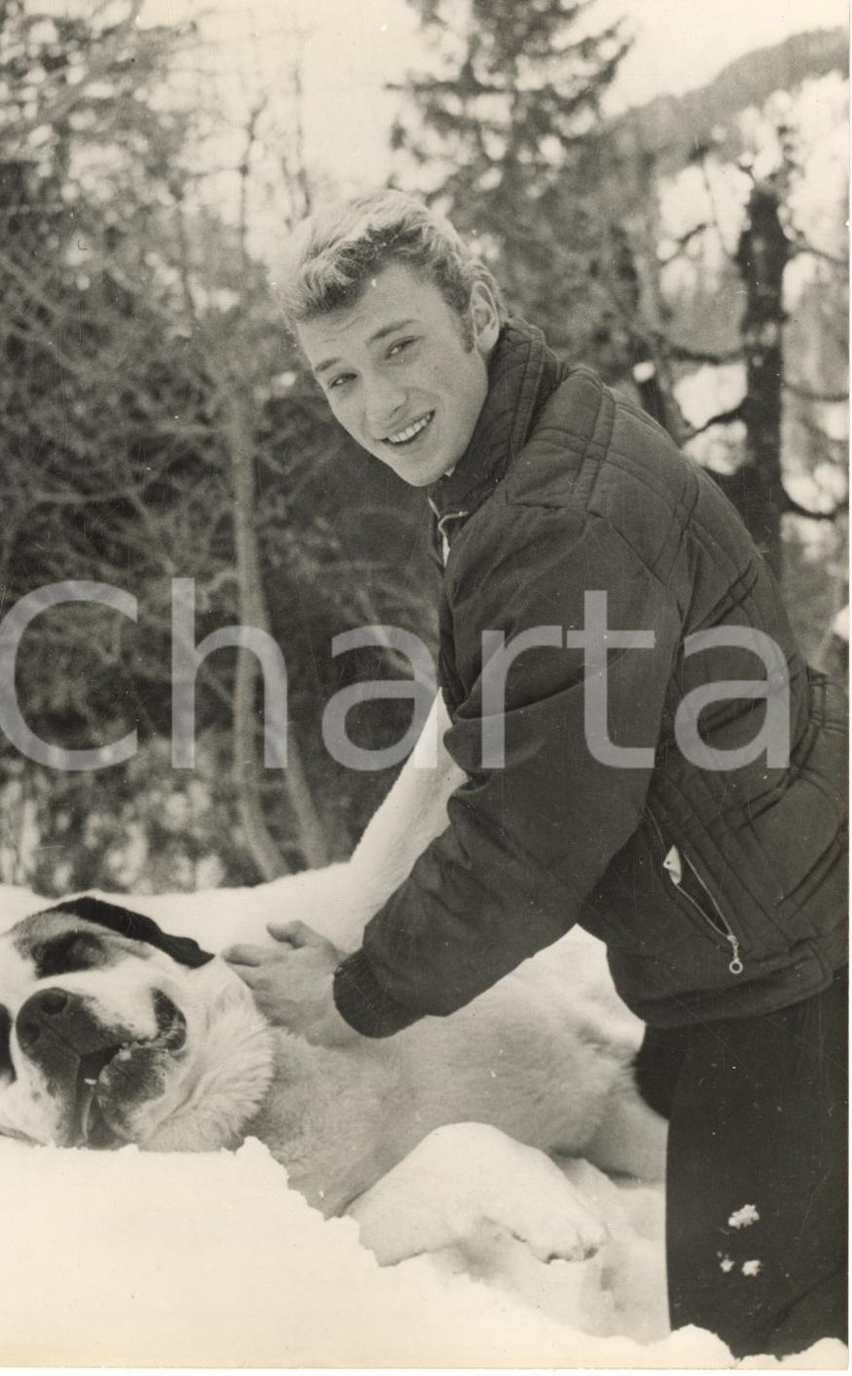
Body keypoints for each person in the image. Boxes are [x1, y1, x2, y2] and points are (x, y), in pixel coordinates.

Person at [223, 190, 848, 1357]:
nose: (378, 403)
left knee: (756, 1339)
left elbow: (536, 830)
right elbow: (527, 716)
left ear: (481, 312)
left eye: (398, 347)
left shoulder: (556, 519)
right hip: (765, 889)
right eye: (338, 376)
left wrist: (360, 990)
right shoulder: (522, 446)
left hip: (771, 968)